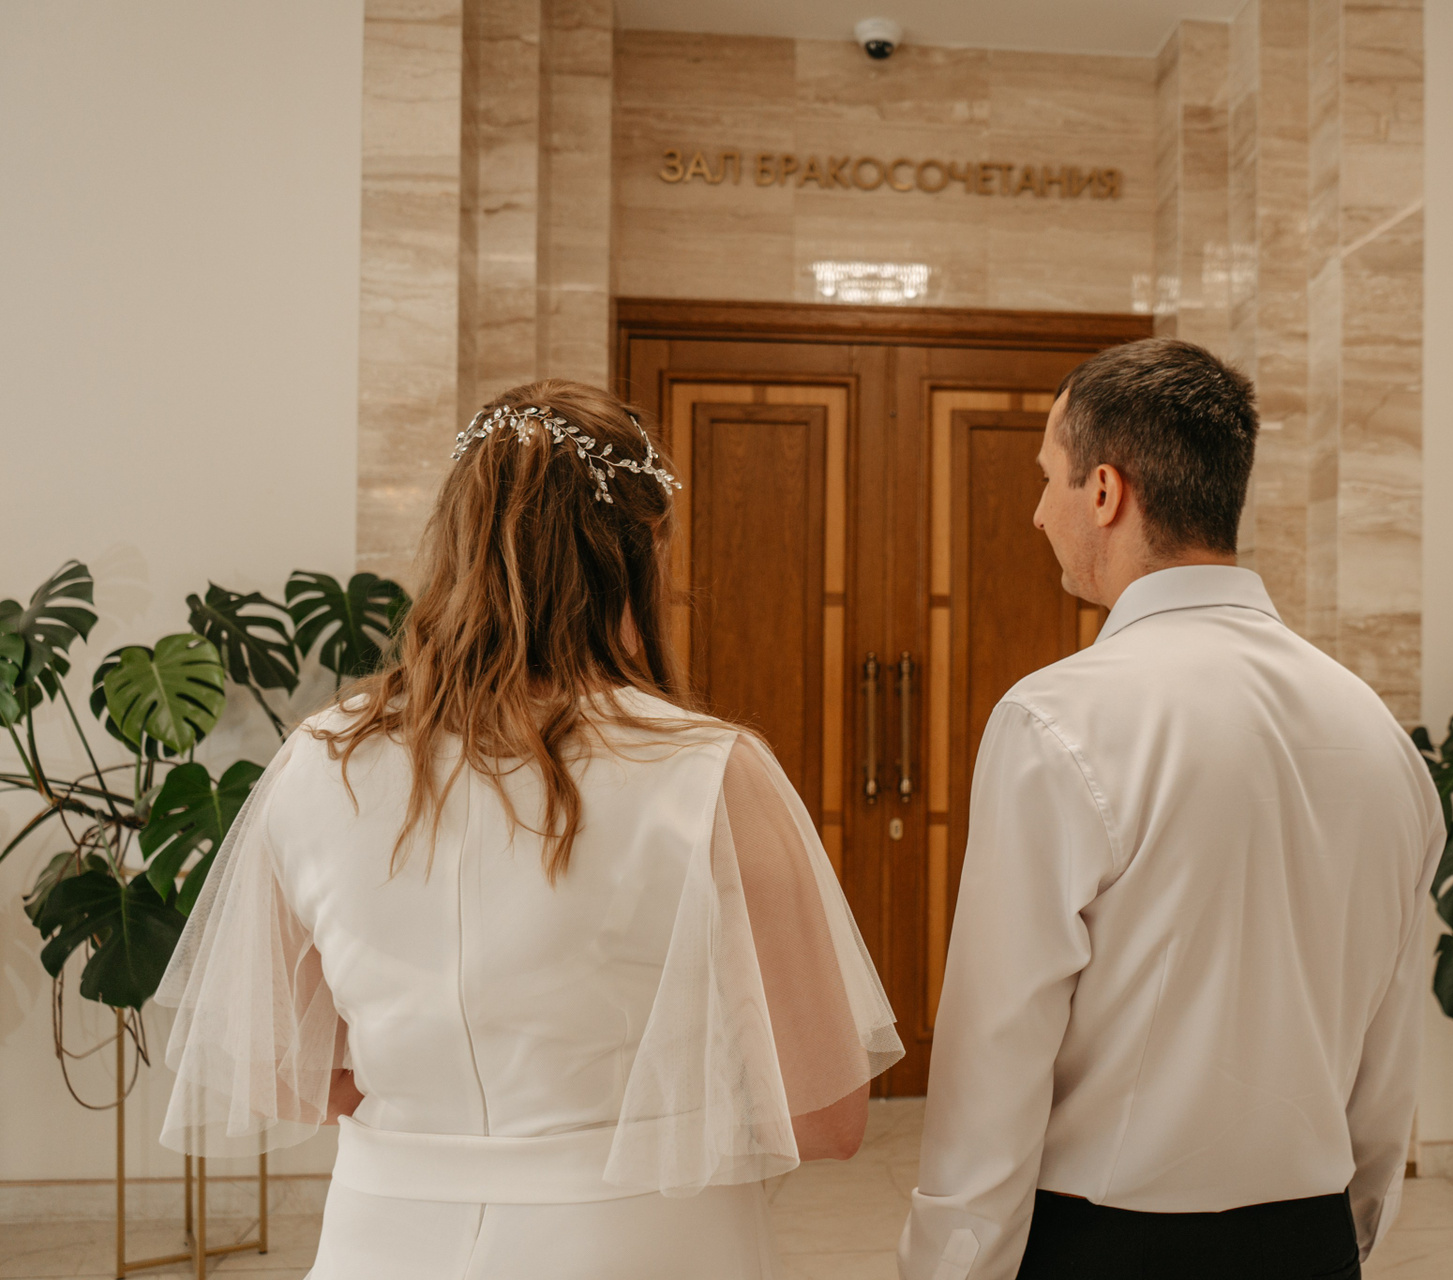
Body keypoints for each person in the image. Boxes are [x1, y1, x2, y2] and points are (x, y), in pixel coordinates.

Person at [157, 380, 902, 1280]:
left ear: (454, 541)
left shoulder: (317, 762)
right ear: (641, 554)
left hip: (383, 1239)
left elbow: (282, 1070)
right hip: (636, 1244)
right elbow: (824, 1117)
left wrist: (435, 1117)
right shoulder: (709, 773)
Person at [898, 339, 1444, 1280]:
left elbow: (999, 1050)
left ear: (1106, 492)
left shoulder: (1056, 718)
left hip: (1110, 1245)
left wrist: (951, 1267)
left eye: (1049, 479)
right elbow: (1388, 1047)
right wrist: (1344, 1234)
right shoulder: (1378, 734)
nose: (1038, 512)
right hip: (1312, 1242)